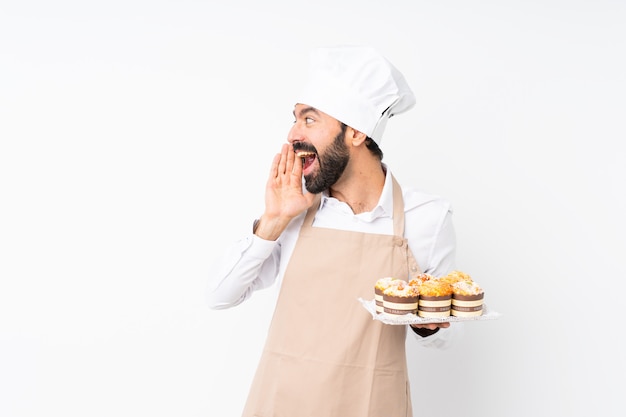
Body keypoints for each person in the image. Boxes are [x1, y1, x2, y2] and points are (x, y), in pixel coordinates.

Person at [207, 46, 464, 417]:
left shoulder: (426, 217)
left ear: (356, 131)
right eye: (295, 119)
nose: (293, 133)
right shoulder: (295, 208)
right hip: (281, 404)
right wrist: (273, 220)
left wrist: (430, 325)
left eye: (309, 120)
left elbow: (446, 339)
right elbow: (219, 296)